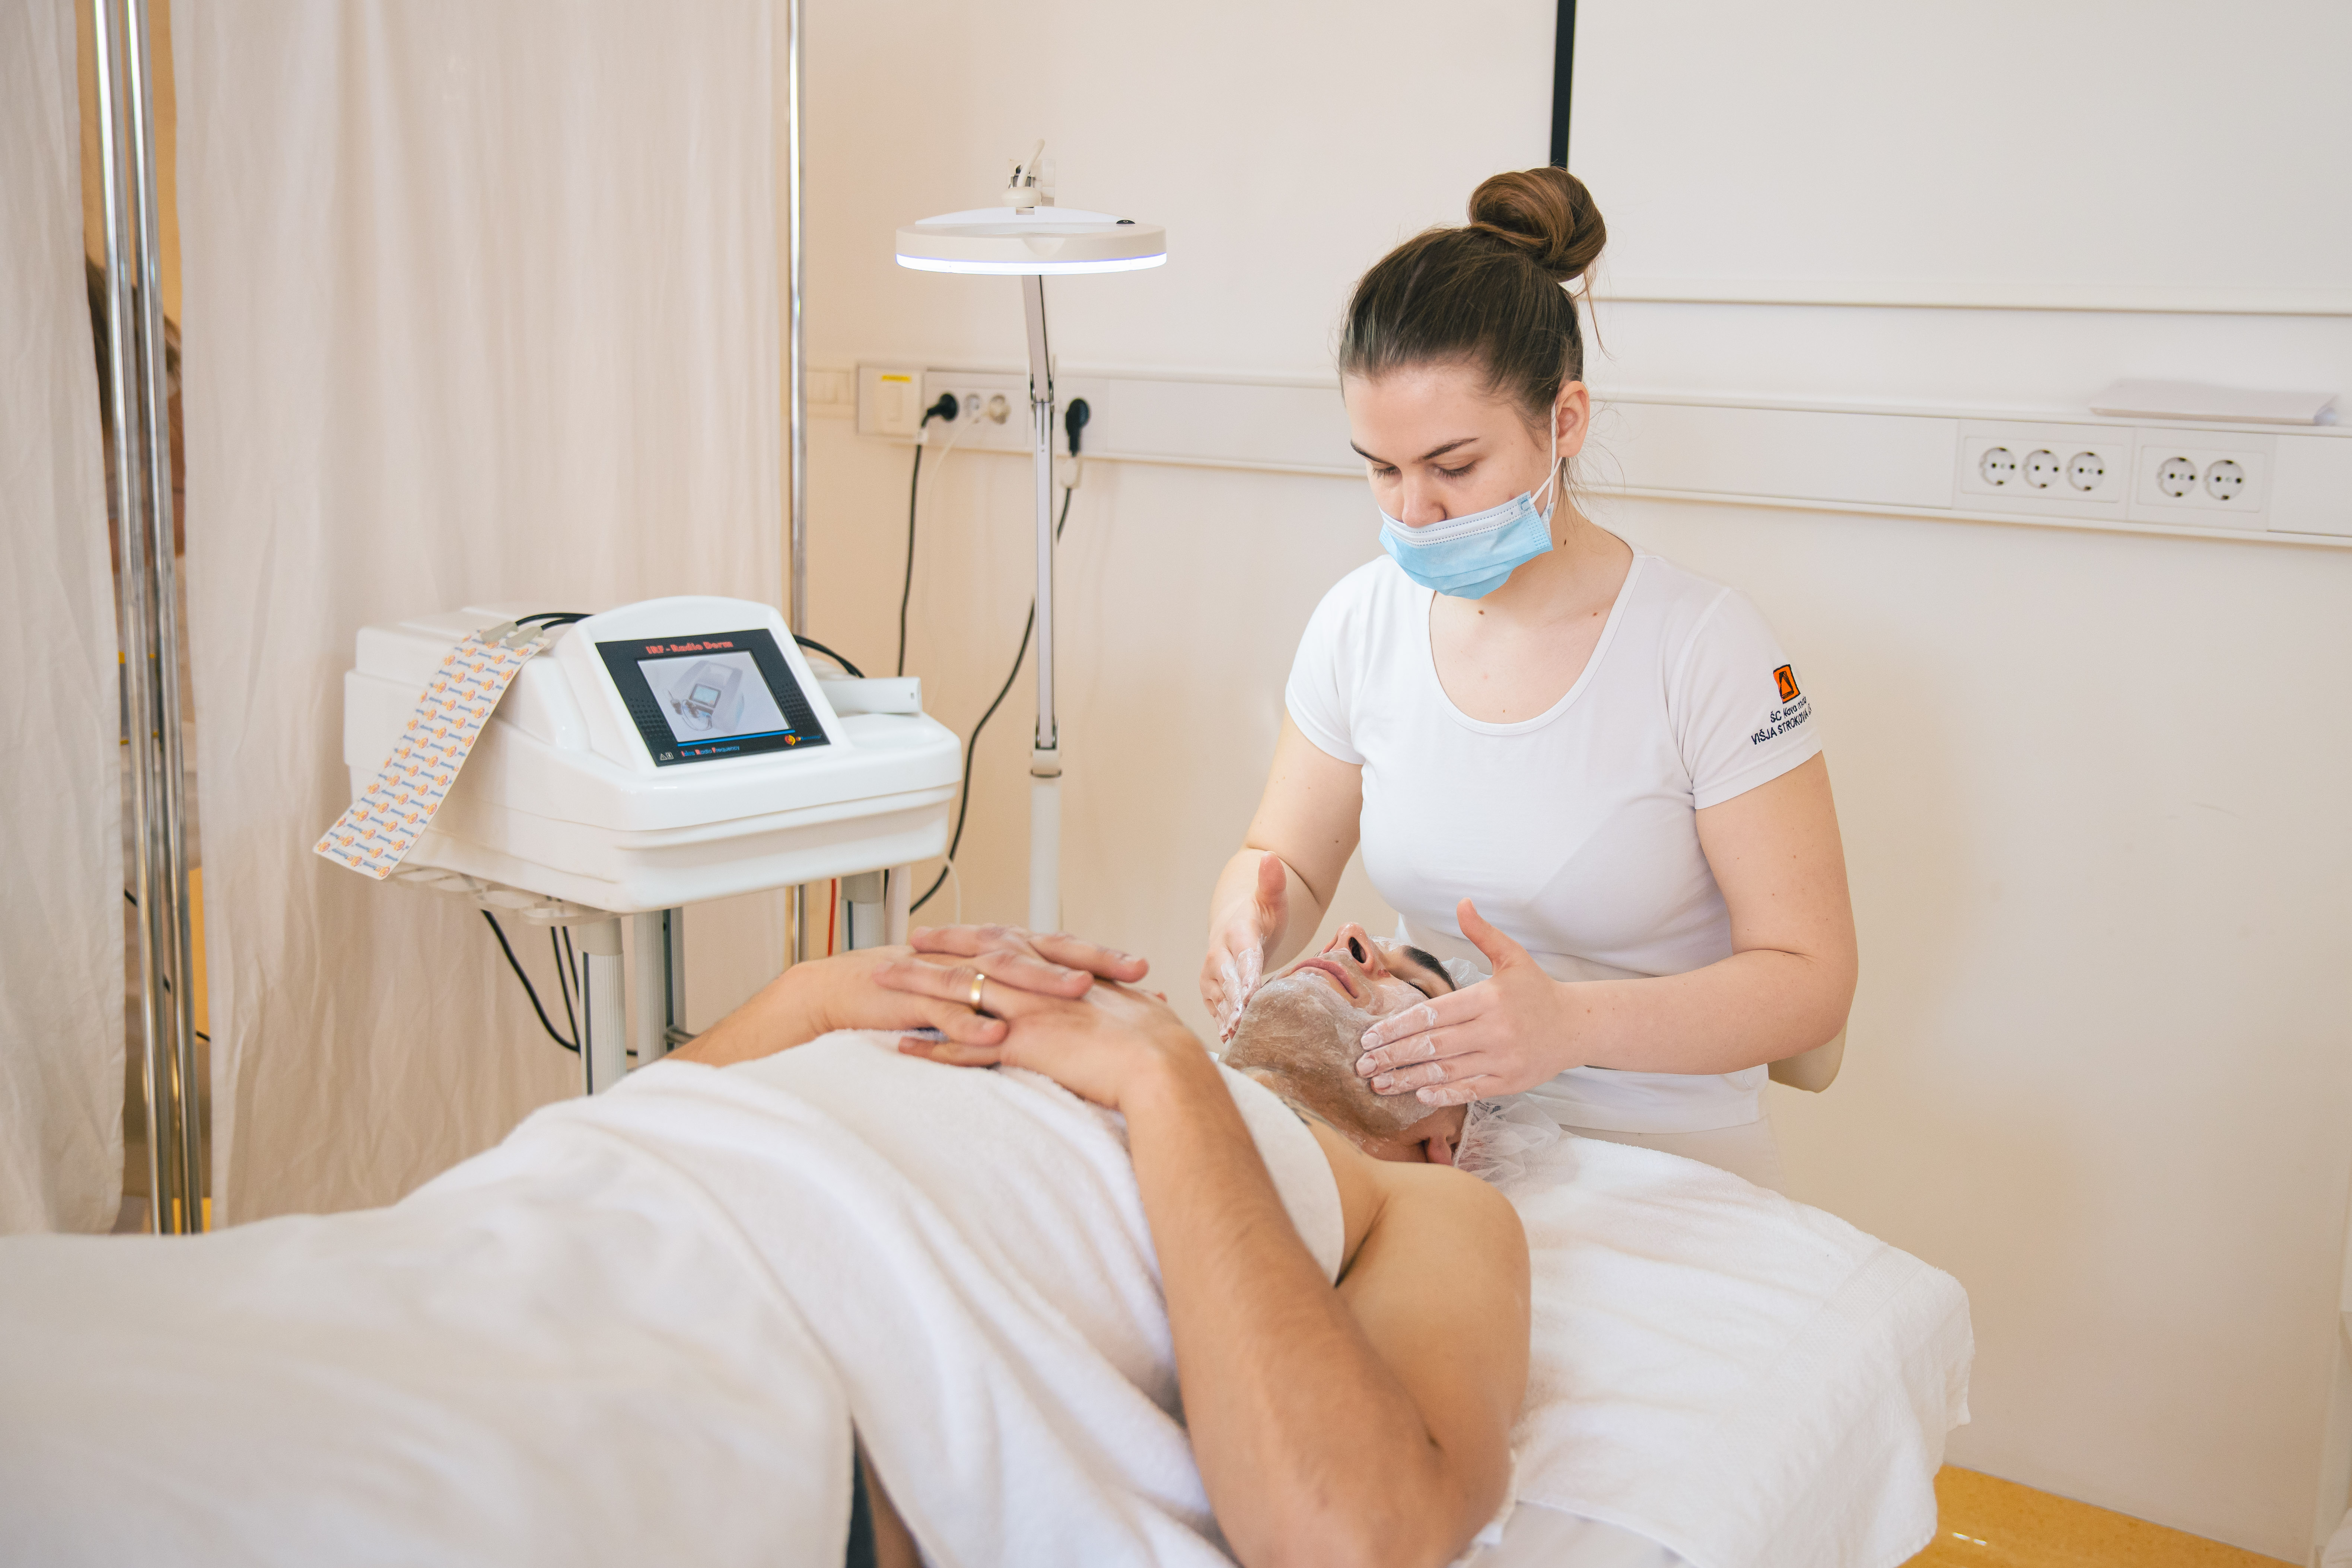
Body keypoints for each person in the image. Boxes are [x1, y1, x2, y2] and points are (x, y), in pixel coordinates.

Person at [1, 926, 1526, 1568]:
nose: (1349, 944)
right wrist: (803, 1001)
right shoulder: (1092, 1007)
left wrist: (1168, 1077)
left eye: (1407, 969)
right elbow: (649, 1119)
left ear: (1445, 1126)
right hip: (519, 1229)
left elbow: (1350, 1532)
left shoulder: (1420, 1203)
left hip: (730, 1366)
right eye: (1352, 931)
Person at [1200, 166, 1858, 1191]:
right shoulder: (1360, 623)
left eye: (1453, 466)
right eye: (1381, 467)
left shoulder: (1705, 650)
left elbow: (1812, 985)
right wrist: (1248, 917)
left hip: (1658, 1154)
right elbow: (1282, 858)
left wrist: (1570, 1025)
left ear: (1566, 421)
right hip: (1432, 1140)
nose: (1412, 512)